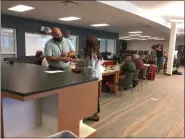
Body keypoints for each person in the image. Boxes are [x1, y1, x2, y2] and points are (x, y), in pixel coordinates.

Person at [73, 36, 103, 121]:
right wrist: (73, 60)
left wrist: (80, 69)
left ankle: (94, 114)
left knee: (91, 96)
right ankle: (93, 113)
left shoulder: (91, 53)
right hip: (95, 77)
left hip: (91, 77)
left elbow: (90, 68)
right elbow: (85, 61)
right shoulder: (96, 52)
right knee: (94, 96)